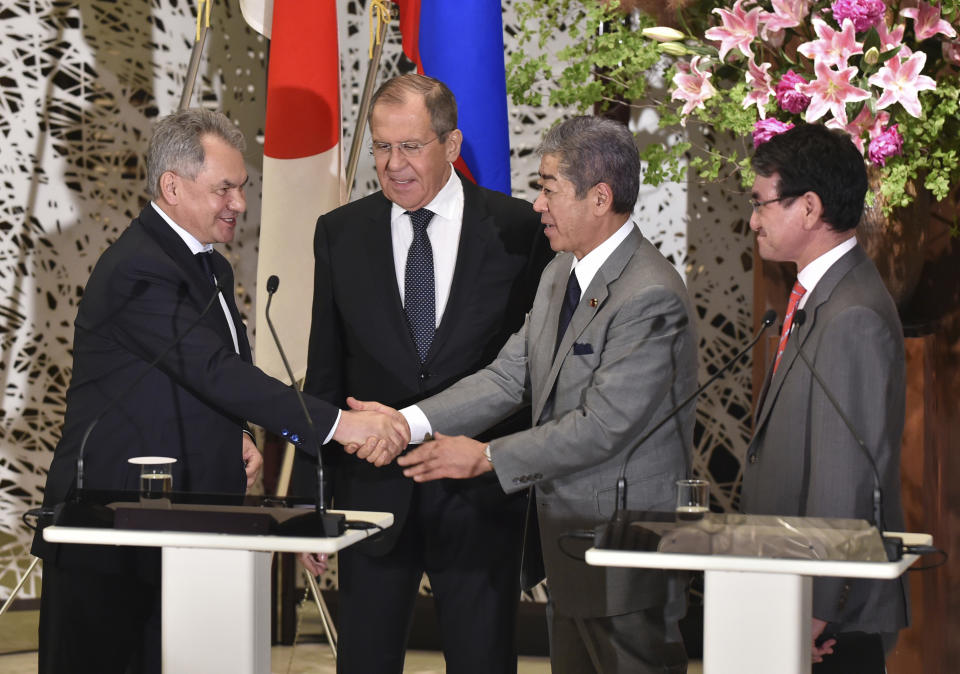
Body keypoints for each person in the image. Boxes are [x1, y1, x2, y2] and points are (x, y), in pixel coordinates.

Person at [31, 108, 407, 674]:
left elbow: (191, 376)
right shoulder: (140, 268)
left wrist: (232, 434)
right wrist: (339, 425)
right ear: (172, 186)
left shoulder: (207, 266)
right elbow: (212, 370)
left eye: (243, 187)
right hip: (109, 532)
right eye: (224, 188)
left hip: (185, 524)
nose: (239, 203)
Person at [367, 114, 697, 673]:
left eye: (548, 187)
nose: (536, 203)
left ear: (599, 198)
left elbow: (603, 425)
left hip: (626, 550)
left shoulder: (650, 295)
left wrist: (489, 456)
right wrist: (407, 421)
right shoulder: (558, 275)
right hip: (568, 544)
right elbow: (507, 377)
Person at [293, 73, 552, 674]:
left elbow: (532, 374)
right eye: (382, 147)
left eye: (410, 146)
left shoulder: (520, 231)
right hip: (370, 497)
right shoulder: (340, 232)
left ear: (453, 146)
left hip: (479, 497)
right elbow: (325, 371)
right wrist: (314, 500)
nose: (392, 164)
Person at [740, 123, 908, 672]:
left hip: (830, 617)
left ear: (808, 208)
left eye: (760, 202)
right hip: (797, 588)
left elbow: (845, 478)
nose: (753, 218)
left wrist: (814, 609)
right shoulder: (822, 296)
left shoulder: (851, 313)